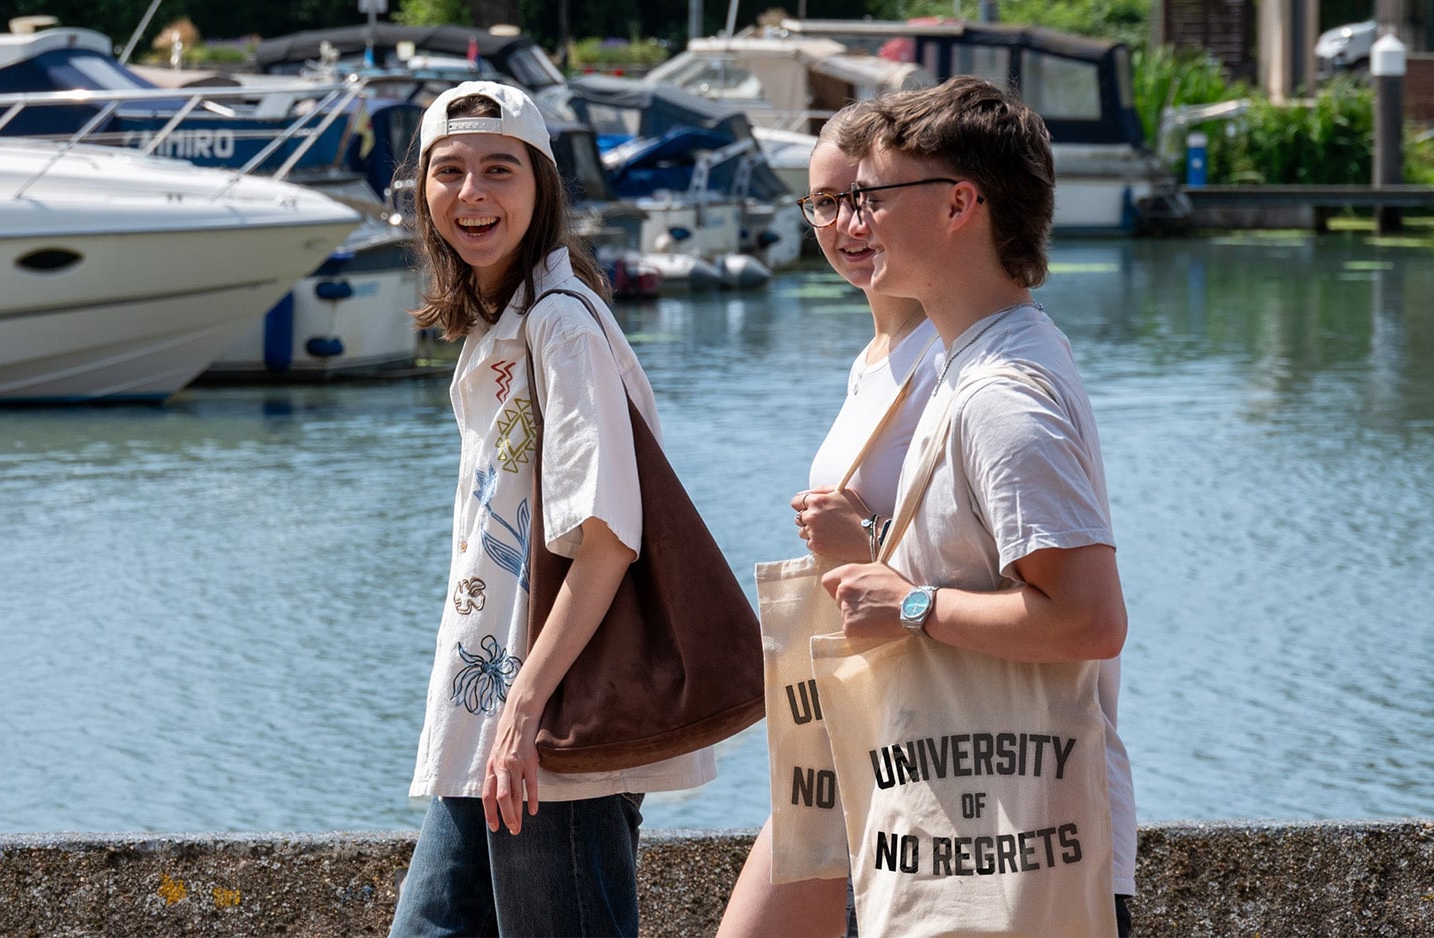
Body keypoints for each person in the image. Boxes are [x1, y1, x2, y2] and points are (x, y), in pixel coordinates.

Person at [388, 80, 715, 938]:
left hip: (546, 731)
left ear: (541, 188)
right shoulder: (504, 327)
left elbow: (606, 542)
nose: (472, 194)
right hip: (493, 729)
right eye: (448, 171)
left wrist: (525, 716)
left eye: (500, 170)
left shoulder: (559, 326)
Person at [817, 75, 1138, 934]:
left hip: (1016, 848)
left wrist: (912, 604)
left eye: (874, 194)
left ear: (960, 203)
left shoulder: (1002, 391)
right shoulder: (976, 365)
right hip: (979, 834)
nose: (855, 218)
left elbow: (1089, 620)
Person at [715, 100, 943, 938]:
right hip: (848, 711)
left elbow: (971, 548)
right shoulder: (875, 357)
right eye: (824, 202)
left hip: (923, 721)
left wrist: (861, 548)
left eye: (866, 198)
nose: (848, 224)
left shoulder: (951, 356)